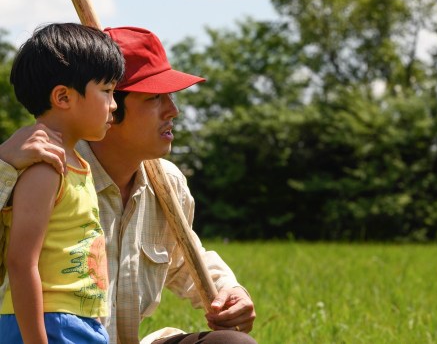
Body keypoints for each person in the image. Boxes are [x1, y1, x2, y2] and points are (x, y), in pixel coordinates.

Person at [0, 26, 257, 344]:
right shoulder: (42, 165)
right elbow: (18, 262)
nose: (173, 110)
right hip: (48, 335)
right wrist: (4, 163)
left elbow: (184, 259)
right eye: (154, 98)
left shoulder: (168, 184)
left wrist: (229, 290)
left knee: (233, 343)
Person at [0, 23, 125, 343]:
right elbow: (20, 261)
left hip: (76, 321)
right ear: (63, 97)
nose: (114, 104)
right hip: (49, 322)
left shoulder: (78, 165)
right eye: (107, 91)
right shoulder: (45, 168)